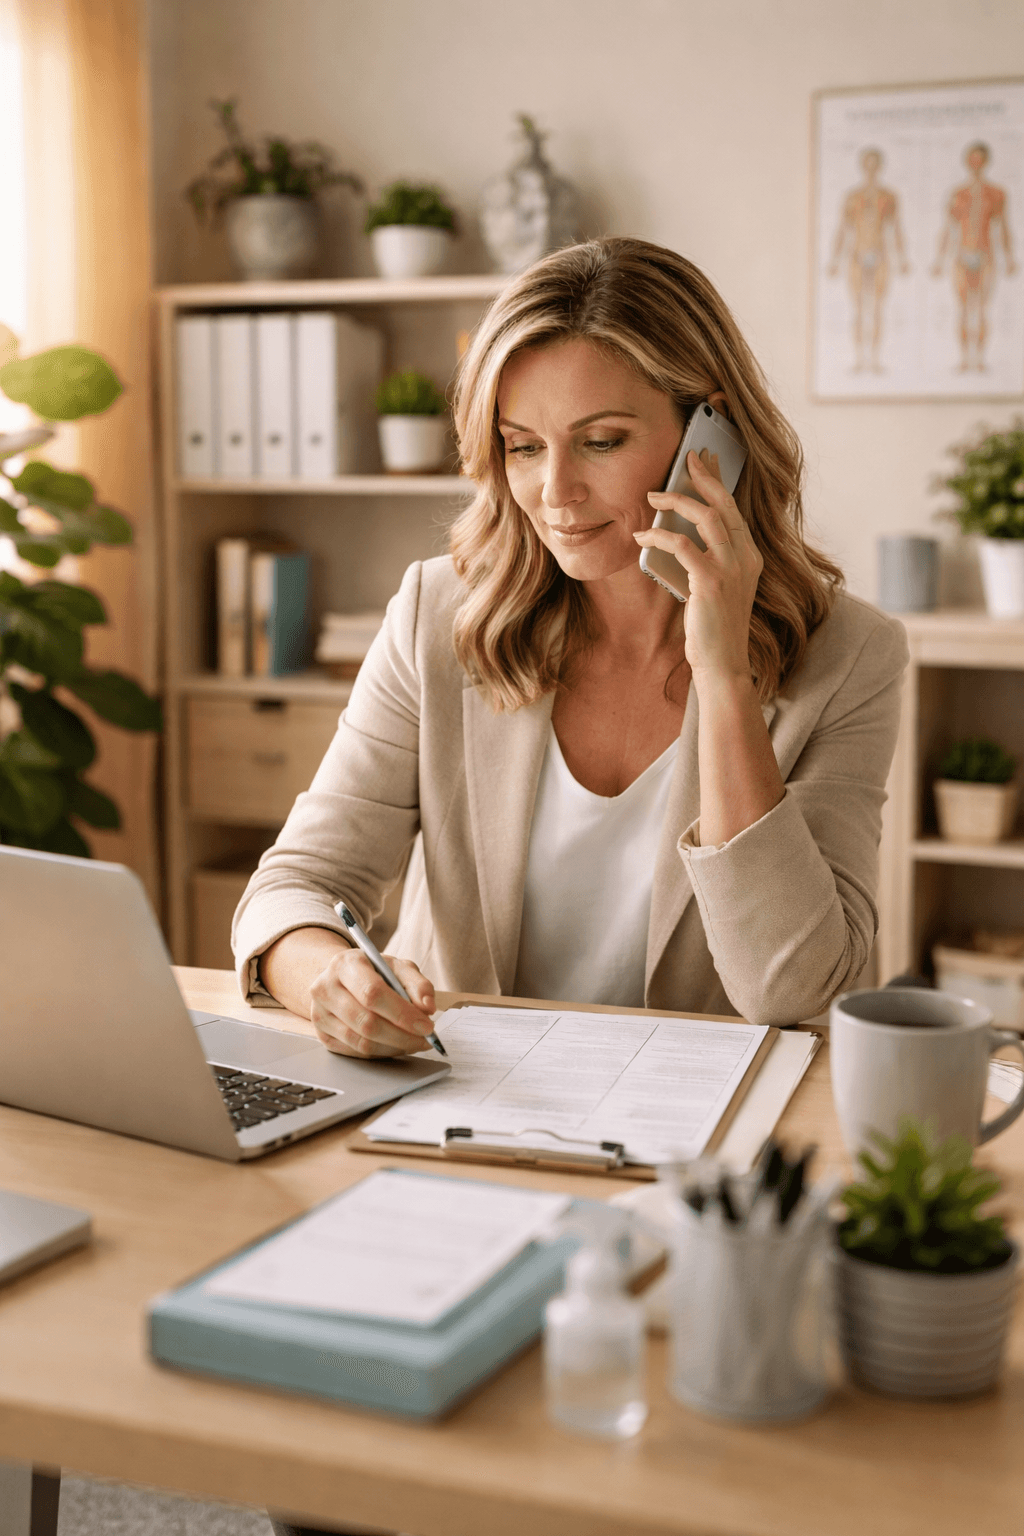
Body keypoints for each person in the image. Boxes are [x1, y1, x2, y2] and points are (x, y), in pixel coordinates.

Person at [233, 236, 908, 1062]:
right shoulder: (436, 614)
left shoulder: (852, 658)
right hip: (455, 1101)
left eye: (601, 440)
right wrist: (329, 980)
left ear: (713, 432)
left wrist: (725, 677)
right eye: (522, 446)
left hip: (693, 1141)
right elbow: (291, 889)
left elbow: (797, 989)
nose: (555, 493)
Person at [932, 141, 1017, 373]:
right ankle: (963, 359)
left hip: (986, 255)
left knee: (980, 309)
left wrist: (1010, 258)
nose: (976, 164)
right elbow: (949, 229)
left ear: (986, 162)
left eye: (980, 160)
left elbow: (1003, 228)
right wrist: (939, 259)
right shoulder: (958, 194)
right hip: (962, 255)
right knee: (962, 308)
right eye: (972, 160)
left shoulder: (996, 193)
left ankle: (979, 359)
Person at [827, 146, 910, 373]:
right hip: (857, 256)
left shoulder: (889, 197)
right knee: (859, 310)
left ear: (879, 166)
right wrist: (835, 259)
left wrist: (902, 257)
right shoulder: (853, 197)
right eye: (868, 164)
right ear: (863, 166)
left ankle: (874, 359)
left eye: (875, 164)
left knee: (876, 310)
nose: (871, 169)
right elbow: (843, 230)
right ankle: (860, 359)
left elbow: (896, 229)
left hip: (880, 255)